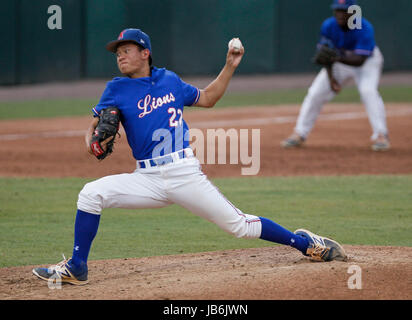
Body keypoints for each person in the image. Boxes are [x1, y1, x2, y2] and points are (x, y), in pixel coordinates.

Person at [32, 28, 346, 285]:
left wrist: (230, 66)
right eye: (117, 52)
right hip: (147, 179)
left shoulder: (169, 80)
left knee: (239, 226)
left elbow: (207, 98)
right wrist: (92, 144)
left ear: (145, 53)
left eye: (126, 50)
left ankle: (306, 244)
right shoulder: (115, 89)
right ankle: (77, 267)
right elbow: (91, 131)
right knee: (91, 194)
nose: (120, 56)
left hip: (184, 173)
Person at [281, 0, 390, 151]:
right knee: (315, 93)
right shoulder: (329, 25)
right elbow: (326, 56)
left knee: (368, 91)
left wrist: (335, 58)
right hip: (339, 63)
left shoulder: (364, 27)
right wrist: (332, 79)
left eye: (344, 10)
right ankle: (299, 133)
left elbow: (359, 60)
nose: (340, 14)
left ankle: (380, 135)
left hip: (367, 64)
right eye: (337, 10)